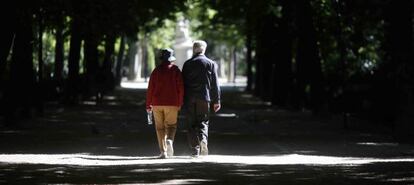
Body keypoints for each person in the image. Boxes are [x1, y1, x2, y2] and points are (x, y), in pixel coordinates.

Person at [182, 40, 221, 157]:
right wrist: (217, 100)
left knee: (191, 123)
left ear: (194, 49)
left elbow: (182, 82)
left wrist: (181, 98)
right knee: (203, 121)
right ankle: (203, 140)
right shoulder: (211, 63)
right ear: (204, 49)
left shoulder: (187, 64)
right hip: (204, 97)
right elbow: (215, 84)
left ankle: (195, 149)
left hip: (189, 98)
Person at [146, 48, 184, 159]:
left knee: (159, 128)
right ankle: (169, 140)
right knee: (171, 126)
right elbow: (181, 88)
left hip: (157, 103)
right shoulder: (176, 71)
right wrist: (180, 102)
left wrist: (148, 105)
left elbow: (150, 89)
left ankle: (163, 152)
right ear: (171, 59)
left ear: (161, 59)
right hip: (172, 103)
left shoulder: (156, 71)